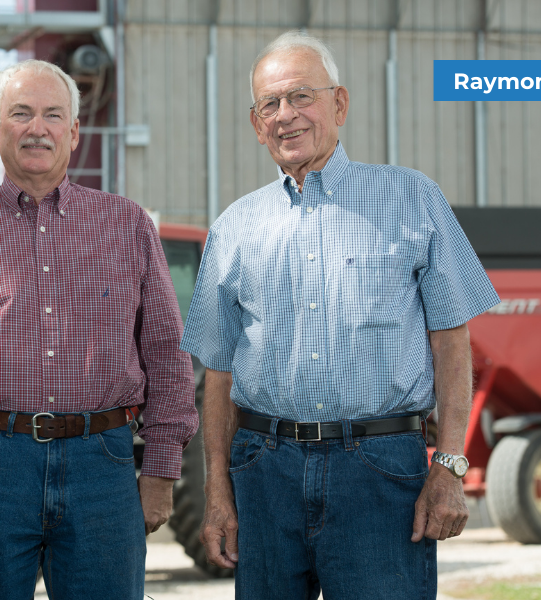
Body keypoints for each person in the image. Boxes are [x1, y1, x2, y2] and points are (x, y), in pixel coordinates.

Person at [179, 31, 500, 599]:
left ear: (340, 104)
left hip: (380, 474)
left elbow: (452, 343)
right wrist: (219, 492)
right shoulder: (234, 227)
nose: (286, 115)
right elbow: (218, 375)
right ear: (256, 124)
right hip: (264, 472)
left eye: (302, 96)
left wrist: (449, 467)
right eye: (270, 105)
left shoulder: (411, 197)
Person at [0, 59, 197, 599]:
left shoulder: (127, 227)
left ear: (74, 133)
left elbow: (167, 356)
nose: (38, 127)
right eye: (21, 113)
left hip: (103, 464)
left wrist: (161, 468)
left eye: (54, 115)